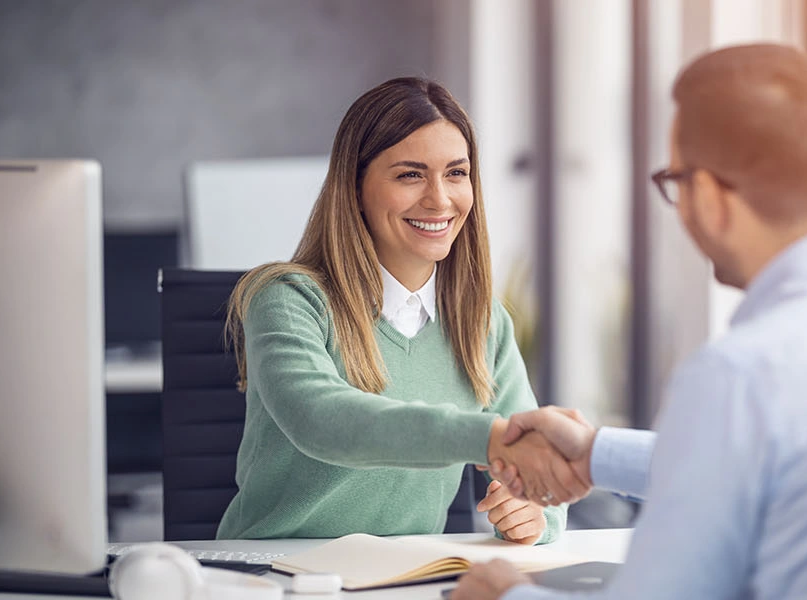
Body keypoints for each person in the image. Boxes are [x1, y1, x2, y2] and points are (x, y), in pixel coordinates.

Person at [456, 44, 807, 598]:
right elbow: (767, 463)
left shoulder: (740, 375)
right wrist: (596, 454)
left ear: (709, 195)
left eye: (676, 181)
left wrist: (504, 595)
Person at [217, 77, 568, 545]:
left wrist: (533, 513)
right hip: (275, 576)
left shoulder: (482, 322)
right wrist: (489, 436)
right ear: (355, 187)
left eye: (456, 173)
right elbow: (323, 422)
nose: (439, 199)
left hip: (405, 577)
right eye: (410, 174)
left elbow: (541, 487)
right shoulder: (288, 299)